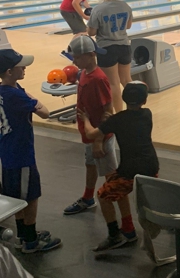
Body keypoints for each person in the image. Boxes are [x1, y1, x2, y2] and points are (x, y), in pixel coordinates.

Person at [79, 81, 159, 252]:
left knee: (103, 196)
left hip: (131, 172)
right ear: (144, 101)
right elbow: (126, 122)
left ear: (123, 98)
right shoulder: (147, 114)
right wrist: (111, 121)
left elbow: (90, 133)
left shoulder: (117, 120)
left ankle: (114, 235)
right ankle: (129, 230)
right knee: (119, 189)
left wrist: (85, 119)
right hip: (151, 166)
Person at [0, 49, 62, 253]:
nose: (24, 67)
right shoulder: (16, 96)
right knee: (31, 197)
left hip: (8, 154)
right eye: (20, 65)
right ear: (9, 71)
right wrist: (31, 98)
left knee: (17, 196)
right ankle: (31, 242)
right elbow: (45, 113)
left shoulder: (4, 91)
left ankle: (23, 236)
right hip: (21, 156)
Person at [63, 35, 118, 216]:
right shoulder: (85, 74)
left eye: (78, 57)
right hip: (90, 133)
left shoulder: (98, 78)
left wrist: (98, 140)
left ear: (91, 55)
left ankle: (123, 209)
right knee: (90, 164)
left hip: (100, 136)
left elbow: (108, 110)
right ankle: (88, 198)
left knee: (111, 175)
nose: (74, 61)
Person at [87, 0, 133, 114]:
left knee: (113, 83)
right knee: (127, 80)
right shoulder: (125, 6)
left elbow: (91, 32)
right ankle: (134, 110)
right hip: (124, 46)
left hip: (106, 49)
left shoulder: (98, 9)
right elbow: (128, 26)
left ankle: (119, 114)